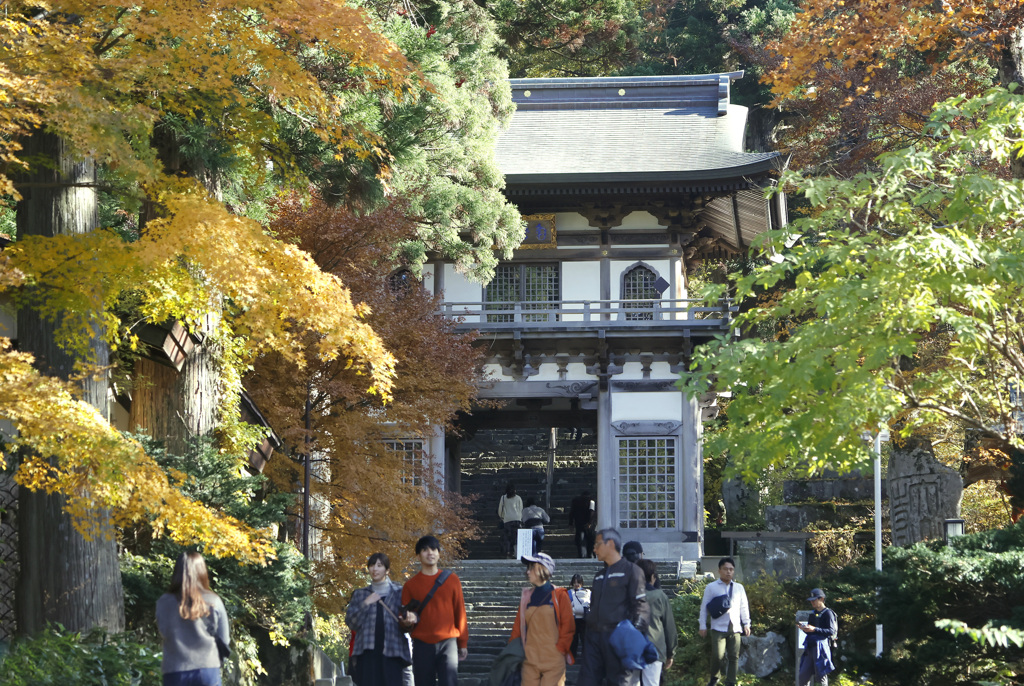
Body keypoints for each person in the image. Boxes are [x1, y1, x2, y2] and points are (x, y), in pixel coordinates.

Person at [578, 528, 650, 686]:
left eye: (597, 544)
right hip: (593, 639)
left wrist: (632, 634)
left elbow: (641, 607)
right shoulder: (599, 576)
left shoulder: (632, 571)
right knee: (586, 681)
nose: (594, 548)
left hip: (618, 638)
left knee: (619, 682)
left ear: (610, 544)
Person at [401, 535, 469, 686]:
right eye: (424, 550)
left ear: (439, 553)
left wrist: (463, 642)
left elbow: (460, 611)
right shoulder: (410, 585)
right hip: (421, 643)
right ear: (418, 555)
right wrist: (407, 620)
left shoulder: (452, 580)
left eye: (433, 549)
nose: (430, 553)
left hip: (448, 642)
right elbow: (404, 618)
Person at [156, 552, 231, 686]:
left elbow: (164, 632)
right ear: (202, 570)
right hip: (207, 668)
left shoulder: (163, 602)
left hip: (175, 669)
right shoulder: (213, 600)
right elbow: (224, 639)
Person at [345, 552, 414, 685]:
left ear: (387, 570)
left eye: (379, 565)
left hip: (393, 651)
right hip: (367, 652)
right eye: (372, 565)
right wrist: (365, 603)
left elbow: (408, 623)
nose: (375, 569)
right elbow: (351, 622)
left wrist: (409, 620)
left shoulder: (399, 592)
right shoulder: (360, 594)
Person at [508, 552, 575, 686]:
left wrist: (560, 650)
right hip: (529, 660)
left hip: (553, 660)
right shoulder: (526, 597)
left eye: (531, 567)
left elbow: (568, 627)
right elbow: (518, 628)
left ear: (543, 569)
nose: (527, 572)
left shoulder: (559, 595)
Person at [698, 557, 751, 686]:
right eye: (726, 569)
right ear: (719, 570)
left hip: (735, 627)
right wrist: (702, 625)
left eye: (731, 569)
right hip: (718, 627)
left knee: (734, 656)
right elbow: (704, 607)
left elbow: (744, 607)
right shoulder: (711, 587)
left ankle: (731, 681)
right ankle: (715, 678)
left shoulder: (739, 587)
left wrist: (747, 624)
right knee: (717, 655)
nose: (728, 572)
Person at [637, 560, 676, 686]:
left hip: (630, 648)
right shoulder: (660, 596)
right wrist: (670, 653)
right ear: (653, 576)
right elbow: (669, 626)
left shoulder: (626, 595)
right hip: (654, 648)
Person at [797, 588, 837, 686]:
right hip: (810, 647)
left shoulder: (828, 613)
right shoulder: (813, 614)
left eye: (814, 600)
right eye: (811, 601)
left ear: (822, 599)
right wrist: (805, 629)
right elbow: (811, 631)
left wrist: (814, 629)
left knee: (821, 675)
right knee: (802, 676)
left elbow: (831, 631)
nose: (812, 603)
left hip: (822, 648)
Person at [498, 483, 524, 558]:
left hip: (507, 520)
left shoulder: (503, 498)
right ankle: (516, 553)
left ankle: (508, 553)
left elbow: (500, 510)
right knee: (516, 537)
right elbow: (521, 509)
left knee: (507, 538)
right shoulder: (518, 498)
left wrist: (503, 517)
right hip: (517, 519)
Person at [568, 573, 591, 658]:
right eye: (575, 582)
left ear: (582, 583)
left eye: (578, 582)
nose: (576, 584)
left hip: (583, 619)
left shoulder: (587, 592)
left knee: (583, 639)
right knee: (574, 640)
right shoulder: (570, 593)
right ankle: (573, 657)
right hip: (574, 619)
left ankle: (583, 657)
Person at [568, 490, 596, 558]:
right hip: (588, 524)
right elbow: (592, 512)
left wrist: (571, 523)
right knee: (590, 539)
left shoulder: (576, 501)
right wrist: (590, 522)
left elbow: (572, 513)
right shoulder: (591, 501)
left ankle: (580, 554)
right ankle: (589, 553)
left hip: (579, 522)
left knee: (579, 539)